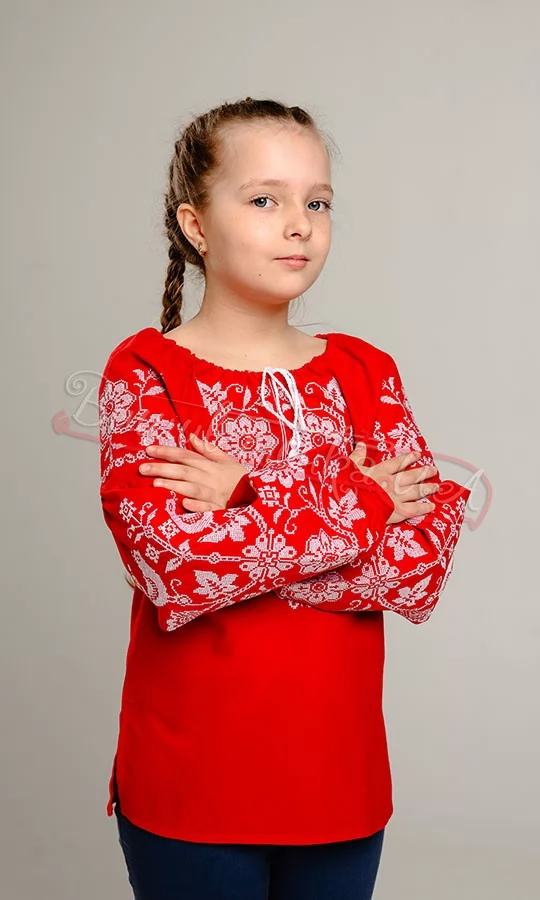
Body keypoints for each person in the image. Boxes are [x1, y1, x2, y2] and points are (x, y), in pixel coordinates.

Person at [98, 96, 471, 900]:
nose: (299, 224)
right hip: (193, 782)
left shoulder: (366, 372)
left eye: (318, 202)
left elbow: (418, 571)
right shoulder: (147, 372)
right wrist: (364, 504)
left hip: (340, 779)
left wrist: (247, 496)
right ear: (196, 225)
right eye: (264, 199)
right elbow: (175, 569)